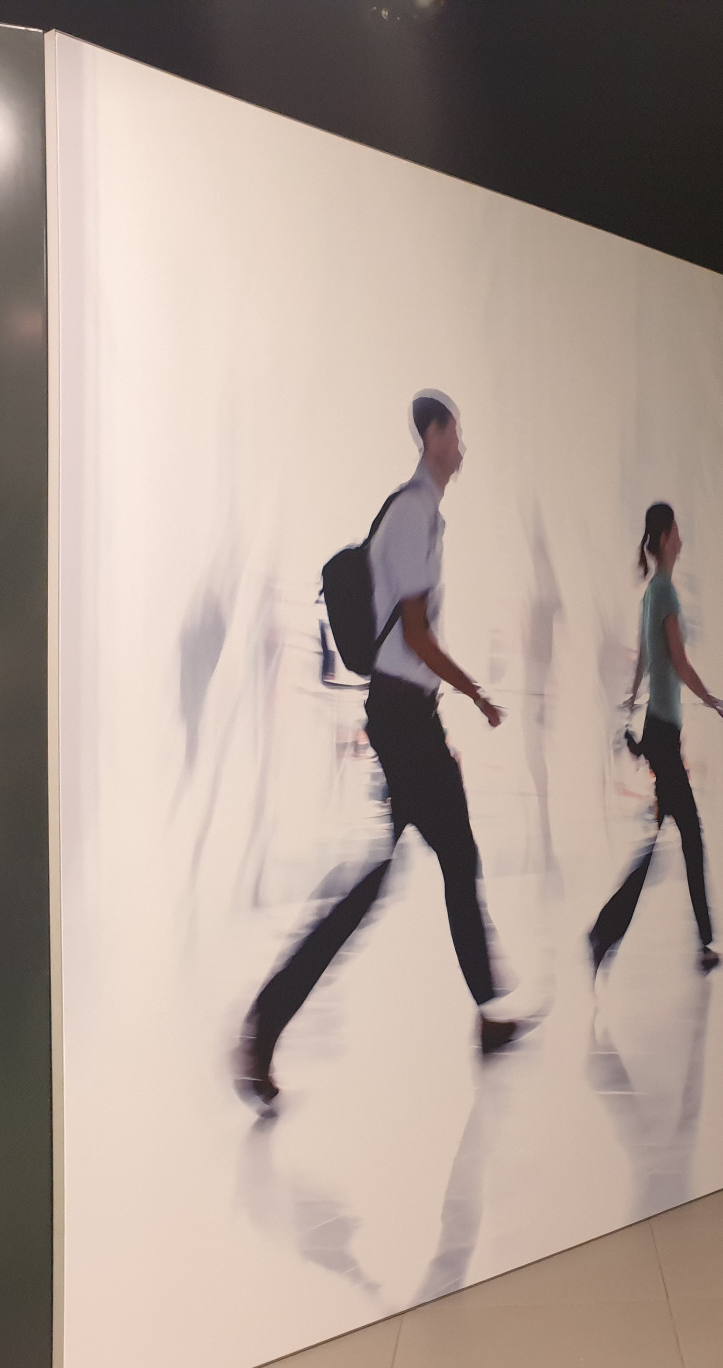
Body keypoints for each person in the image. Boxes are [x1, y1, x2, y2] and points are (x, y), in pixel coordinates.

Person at [235, 391, 515, 1116]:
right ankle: (265, 1024)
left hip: (407, 716)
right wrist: (476, 693)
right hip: (402, 717)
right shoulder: (413, 513)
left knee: (444, 862)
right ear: (433, 436)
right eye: (456, 432)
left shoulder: (422, 515)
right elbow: (416, 633)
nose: (462, 446)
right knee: (407, 875)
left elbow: (410, 638)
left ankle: (488, 1013)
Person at [589, 503, 723, 974]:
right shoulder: (665, 592)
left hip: (659, 731)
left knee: (664, 839)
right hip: (663, 735)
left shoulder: (652, 592)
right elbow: (677, 661)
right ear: (666, 537)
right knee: (688, 835)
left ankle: (606, 932)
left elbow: (645, 661)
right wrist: (711, 699)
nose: (682, 537)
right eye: (678, 530)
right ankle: (697, 942)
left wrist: (632, 704)